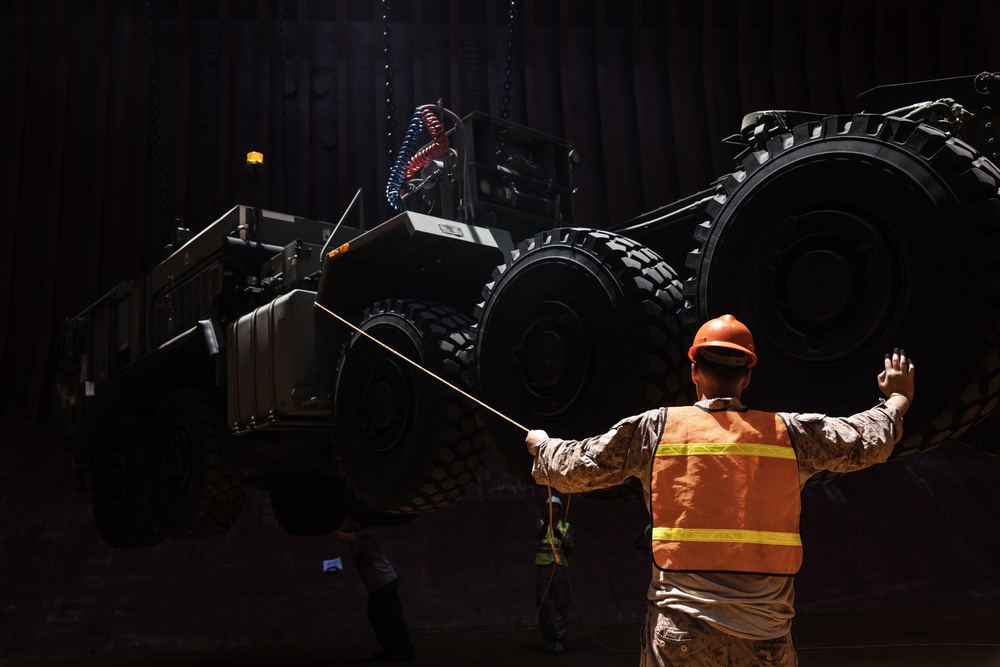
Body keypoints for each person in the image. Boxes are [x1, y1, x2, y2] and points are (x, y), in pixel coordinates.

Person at [524, 314, 915, 667]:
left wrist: (543, 446)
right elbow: (864, 440)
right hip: (766, 636)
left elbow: (577, 468)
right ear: (746, 376)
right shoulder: (789, 434)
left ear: (694, 370)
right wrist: (897, 399)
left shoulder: (656, 429)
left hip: (681, 633)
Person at [331, 517, 415, 662]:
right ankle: (391, 649)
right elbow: (337, 534)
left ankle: (403, 650)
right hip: (377, 586)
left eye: (352, 519)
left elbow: (340, 536)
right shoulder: (354, 532)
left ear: (359, 522)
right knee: (378, 618)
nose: (349, 522)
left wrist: (320, 526)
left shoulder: (366, 534)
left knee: (392, 618)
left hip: (384, 582)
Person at [534, 494, 575, 655]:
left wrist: (561, 538)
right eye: (550, 507)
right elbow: (537, 535)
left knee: (561, 603)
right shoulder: (541, 524)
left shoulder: (566, 527)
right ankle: (549, 637)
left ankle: (558, 639)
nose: (553, 510)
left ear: (560, 509)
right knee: (543, 603)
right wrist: (546, 526)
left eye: (556, 507)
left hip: (560, 568)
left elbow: (571, 546)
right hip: (544, 567)